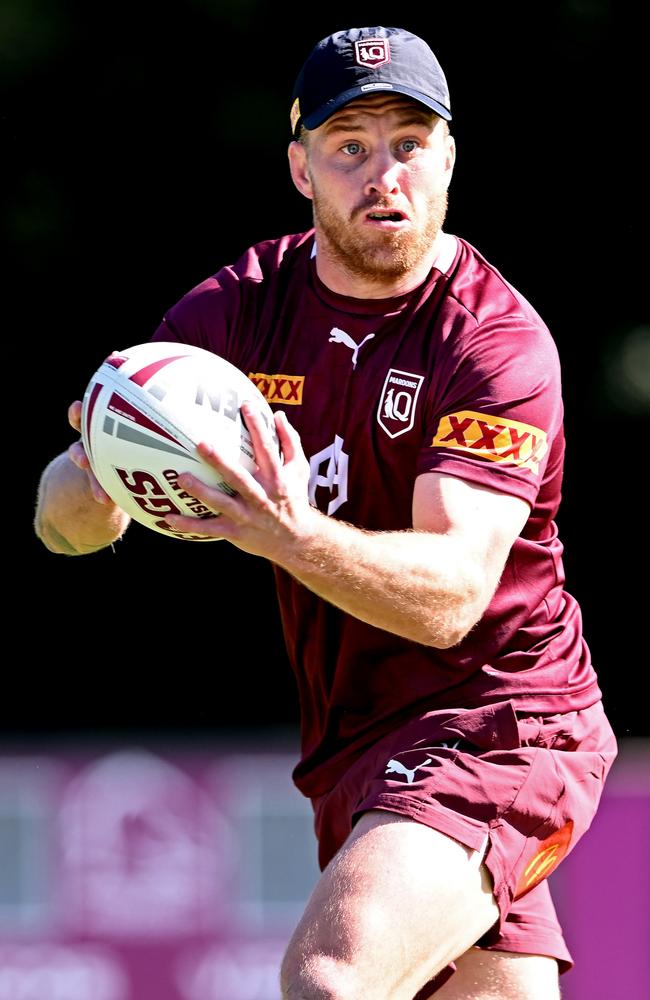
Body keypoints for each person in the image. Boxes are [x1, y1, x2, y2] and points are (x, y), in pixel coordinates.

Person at [35, 25, 617, 1000]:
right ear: (301, 169)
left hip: (503, 720)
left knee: (331, 977)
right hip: (354, 739)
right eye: (349, 147)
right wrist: (101, 468)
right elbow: (60, 523)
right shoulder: (240, 311)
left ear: (446, 161)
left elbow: (448, 598)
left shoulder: (492, 342)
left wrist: (283, 528)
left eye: (407, 143)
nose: (380, 172)